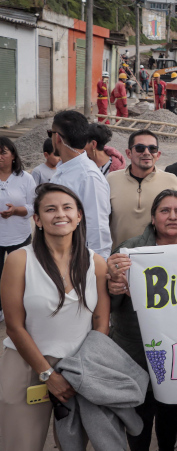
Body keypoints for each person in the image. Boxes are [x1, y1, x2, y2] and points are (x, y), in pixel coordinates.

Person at [0, 183, 110, 450]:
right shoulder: (19, 260)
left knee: (72, 445)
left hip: (76, 369)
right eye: (50, 209)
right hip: (26, 364)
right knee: (20, 444)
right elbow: (14, 326)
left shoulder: (95, 262)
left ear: (79, 215)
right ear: (37, 219)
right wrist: (47, 374)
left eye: (67, 208)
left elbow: (101, 321)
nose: (60, 214)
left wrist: (82, 367)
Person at [106, 190, 177, 451]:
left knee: (170, 419)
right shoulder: (130, 251)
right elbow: (107, 305)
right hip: (135, 354)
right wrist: (113, 288)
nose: (173, 216)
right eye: (165, 211)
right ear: (153, 218)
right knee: (138, 422)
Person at [49, 110, 112, 259]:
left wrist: (98, 268)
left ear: (57, 137)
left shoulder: (88, 177)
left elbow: (97, 227)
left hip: (79, 261)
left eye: (50, 133)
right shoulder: (65, 169)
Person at [107, 129, 177, 249]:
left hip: (158, 258)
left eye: (152, 148)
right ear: (128, 153)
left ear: (158, 154)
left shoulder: (171, 181)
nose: (147, 152)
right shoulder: (111, 180)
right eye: (140, 148)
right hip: (121, 259)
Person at [0, 137, 37, 322]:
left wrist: (15, 211)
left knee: (21, 274)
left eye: (3, 152)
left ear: (13, 155)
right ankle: (1, 309)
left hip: (19, 235)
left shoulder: (25, 178)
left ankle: (23, 307)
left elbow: (33, 206)